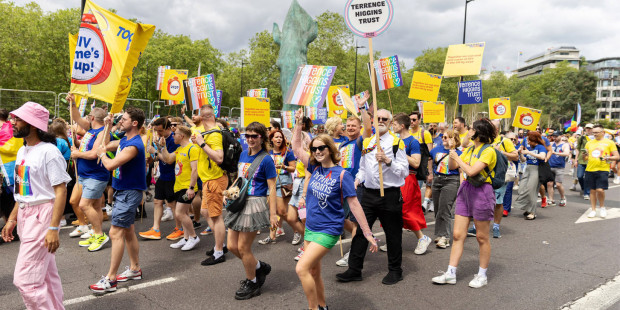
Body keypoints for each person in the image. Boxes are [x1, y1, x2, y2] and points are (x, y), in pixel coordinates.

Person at [291, 109, 376, 310]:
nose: (317, 152)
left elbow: (355, 205)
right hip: (311, 227)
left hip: (328, 231)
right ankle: (322, 306)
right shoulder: (314, 168)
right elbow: (296, 148)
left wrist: (367, 232)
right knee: (313, 272)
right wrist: (298, 124)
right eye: (314, 149)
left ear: (329, 149)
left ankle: (314, 309)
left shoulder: (342, 175)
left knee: (301, 268)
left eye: (321, 148)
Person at [1, 102, 71, 309]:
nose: (12, 122)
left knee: (26, 281)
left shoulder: (49, 152)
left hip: (42, 216)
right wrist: (12, 219)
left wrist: (53, 228)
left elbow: (61, 191)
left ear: (32, 124)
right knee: (47, 275)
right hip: (26, 214)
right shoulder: (23, 151)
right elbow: (23, 192)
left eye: (18, 119)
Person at [337, 109, 408, 285]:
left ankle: (395, 270)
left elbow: (404, 172)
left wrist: (388, 160)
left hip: (390, 195)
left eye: (385, 119)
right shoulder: (368, 142)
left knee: (392, 235)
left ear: (391, 123)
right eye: (378, 118)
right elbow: (362, 167)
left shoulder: (396, 143)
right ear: (374, 121)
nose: (381, 121)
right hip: (368, 195)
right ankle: (354, 269)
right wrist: (357, 179)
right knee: (361, 232)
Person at [432, 118, 497, 289]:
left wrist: (459, 159)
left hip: (482, 192)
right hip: (466, 190)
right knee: (457, 235)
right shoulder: (468, 149)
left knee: (482, 237)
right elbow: (454, 166)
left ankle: (482, 275)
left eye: (471, 129)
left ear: (478, 132)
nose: (468, 131)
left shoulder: (488, 151)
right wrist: (453, 151)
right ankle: (450, 273)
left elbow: (471, 170)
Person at [90, 107, 147, 294]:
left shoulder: (134, 145)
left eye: (124, 119)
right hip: (123, 192)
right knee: (129, 231)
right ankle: (135, 269)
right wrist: (107, 126)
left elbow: (110, 163)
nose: (120, 121)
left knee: (115, 233)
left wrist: (101, 155)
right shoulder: (124, 140)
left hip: (129, 193)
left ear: (134, 123)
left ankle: (111, 279)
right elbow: (105, 144)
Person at [223, 121, 277, 300]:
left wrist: (273, 214)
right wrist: (229, 192)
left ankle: (252, 282)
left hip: (254, 203)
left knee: (243, 248)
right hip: (239, 200)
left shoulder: (267, 159)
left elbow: (272, 188)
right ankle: (260, 266)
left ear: (262, 138)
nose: (250, 139)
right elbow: (240, 179)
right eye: (248, 136)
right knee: (231, 246)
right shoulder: (243, 155)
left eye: (255, 136)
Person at [66, 95, 111, 251]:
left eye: (88, 117)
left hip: (95, 176)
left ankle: (99, 235)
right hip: (86, 175)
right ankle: (95, 232)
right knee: (96, 206)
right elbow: (76, 117)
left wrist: (77, 154)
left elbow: (94, 154)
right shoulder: (91, 129)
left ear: (92, 117)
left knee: (84, 205)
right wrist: (72, 103)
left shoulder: (102, 133)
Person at [192, 104, 228, 266]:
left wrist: (201, 143)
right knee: (206, 212)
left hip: (214, 180)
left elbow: (219, 158)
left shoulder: (213, 134)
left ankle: (219, 251)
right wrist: (199, 141)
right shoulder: (207, 132)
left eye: (197, 116)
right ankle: (221, 244)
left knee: (216, 216)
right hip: (208, 180)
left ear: (202, 117)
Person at [392, 113, 431, 254]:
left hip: (408, 178)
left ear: (402, 126)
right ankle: (394, 239)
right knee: (391, 210)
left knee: (406, 210)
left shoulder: (413, 142)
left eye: (394, 124)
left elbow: (416, 162)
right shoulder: (393, 140)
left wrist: (401, 150)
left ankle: (422, 238)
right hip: (394, 177)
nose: (392, 126)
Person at [158, 125, 201, 250]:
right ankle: (186, 238)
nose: (173, 135)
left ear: (181, 136)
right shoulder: (179, 149)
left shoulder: (192, 149)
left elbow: (195, 170)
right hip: (178, 186)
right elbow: (168, 159)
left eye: (175, 133)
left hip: (187, 187)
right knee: (185, 212)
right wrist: (163, 147)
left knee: (180, 213)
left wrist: (191, 188)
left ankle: (193, 237)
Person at [258, 129, 298, 244]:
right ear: (271, 139)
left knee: (281, 211)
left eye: (281, 137)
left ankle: (297, 231)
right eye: (276, 137)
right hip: (269, 183)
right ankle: (272, 236)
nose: (279, 139)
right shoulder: (267, 153)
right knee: (273, 211)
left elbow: (293, 168)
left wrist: (284, 167)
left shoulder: (287, 152)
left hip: (283, 183)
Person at [429, 129, 462, 249]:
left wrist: (452, 151)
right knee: (437, 209)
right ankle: (439, 234)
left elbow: (456, 168)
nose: (443, 139)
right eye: (443, 137)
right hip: (437, 179)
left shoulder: (459, 153)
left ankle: (445, 237)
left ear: (454, 139)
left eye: (446, 137)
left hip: (451, 180)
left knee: (445, 209)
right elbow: (429, 159)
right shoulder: (436, 150)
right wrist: (430, 173)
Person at [584, 125, 619, 218]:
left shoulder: (610, 142)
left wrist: (608, 157)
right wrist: (585, 155)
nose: (594, 134)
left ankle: (602, 207)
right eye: (593, 132)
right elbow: (585, 158)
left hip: (603, 169)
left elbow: (617, 156)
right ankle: (593, 210)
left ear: (602, 132)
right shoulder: (589, 143)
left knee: (600, 190)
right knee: (592, 190)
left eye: (596, 132)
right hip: (590, 169)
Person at [0, 108, 23, 241]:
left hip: (9, 170)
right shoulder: (11, 127)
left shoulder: (5, 129)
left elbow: (8, 148)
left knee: (16, 199)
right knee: (12, 200)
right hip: (14, 169)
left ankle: (16, 228)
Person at [514, 131, 547, 220]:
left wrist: (529, 152)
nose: (527, 141)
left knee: (531, 191)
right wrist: (520, 153)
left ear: (534, 139)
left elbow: (542, 157)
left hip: (536, 169)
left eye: (528, 139)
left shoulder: (540, 147)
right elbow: (524, 159)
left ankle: (532, 212)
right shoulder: (530, 148)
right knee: (521, 189)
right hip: (527, 169)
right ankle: (527, 209)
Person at [409, 111, 433, 212]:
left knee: (414, 194)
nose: (412, 122)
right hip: (408, 170)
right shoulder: (407, 133)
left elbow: (430, 154)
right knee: (409, 195)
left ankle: (416, 217)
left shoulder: (425, 134)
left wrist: (430, 172)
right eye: (410, 120)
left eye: (414, 120)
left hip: (420, 170)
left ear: (419, 121)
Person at [548, 133, 570, 207]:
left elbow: (566, 153)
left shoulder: (565, 145)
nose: (554, 138)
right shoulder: (551, 144)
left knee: (558, 184)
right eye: (553, 136)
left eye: (556, 136)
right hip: (550, 166)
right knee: (549, 183)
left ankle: (563, 197)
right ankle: (551, 199)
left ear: (561, 136)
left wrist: (555, 152)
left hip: (559, 167)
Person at [575, 124, 594, 200]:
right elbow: (577, 149)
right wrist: (576, 160)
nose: (588, 130)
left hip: (591, 161)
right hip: (581, 160)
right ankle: (584, 188)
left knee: (587, 178)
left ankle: (587, 193)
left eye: (590, 128)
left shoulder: (595, 139)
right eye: (587, 128)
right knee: (580, 176)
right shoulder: (582, 138)